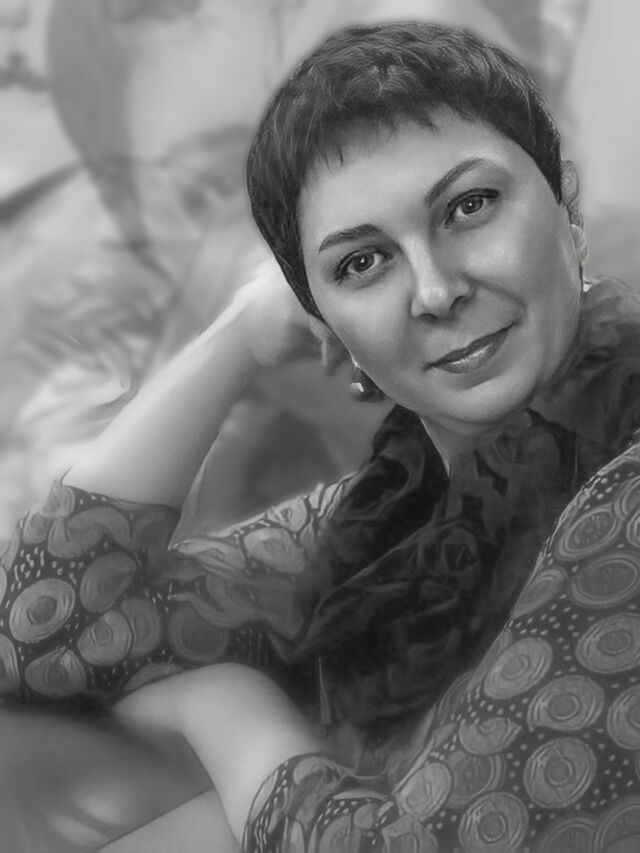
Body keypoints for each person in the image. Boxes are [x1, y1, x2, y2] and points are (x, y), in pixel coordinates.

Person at [3, 20, 640, 852]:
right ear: (327, 324)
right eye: (361, 263)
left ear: (568, 211)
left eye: (470, 206)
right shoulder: (396, 516)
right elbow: (49, 625)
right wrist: (241, 334)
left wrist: (223, 709)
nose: (436, 290)